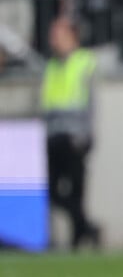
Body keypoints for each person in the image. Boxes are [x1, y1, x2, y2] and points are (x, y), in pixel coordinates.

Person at [41, 15, 99, 249]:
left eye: (59, 34)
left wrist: (87, 134)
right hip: (53, 135)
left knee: (76, 191)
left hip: (75, 136)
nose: (53, 40)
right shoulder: (51, 64)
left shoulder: (85, 61)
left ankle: (79, 238)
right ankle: (87, 228)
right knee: (53, 193)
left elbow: (93, 103)